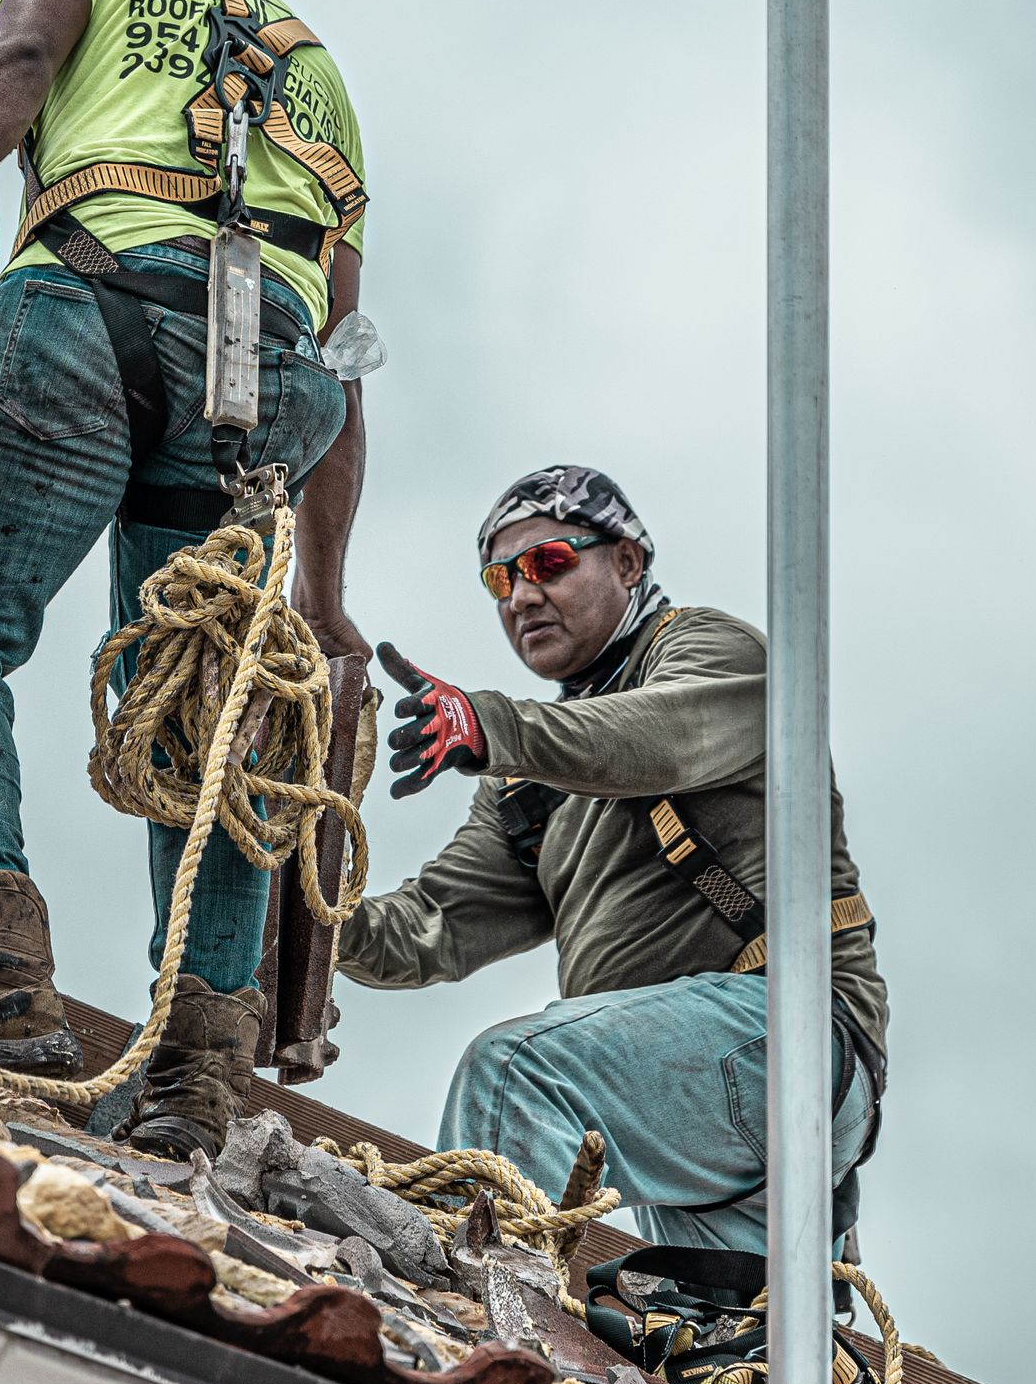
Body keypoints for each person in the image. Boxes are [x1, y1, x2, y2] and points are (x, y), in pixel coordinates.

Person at [0, 0, 371, 1155]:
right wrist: (327, 597)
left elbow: (21, 47)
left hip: (88, 303)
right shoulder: (322, 73)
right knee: (212, 713)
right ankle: (200, 1065)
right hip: (272, 379)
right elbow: (348, 342)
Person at [341, 464, 886, 1254]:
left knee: (517, 1075)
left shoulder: (713, 654)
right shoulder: (528, 790)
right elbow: (429, 926)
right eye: (501, 579)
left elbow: (653, 741)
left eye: (548, 563)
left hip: (788, 1037)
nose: (520, 596)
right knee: (737, 1355)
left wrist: (490, 727)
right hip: (680, 1107)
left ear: (627, 564)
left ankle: (476, 1320)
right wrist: (298, 899)